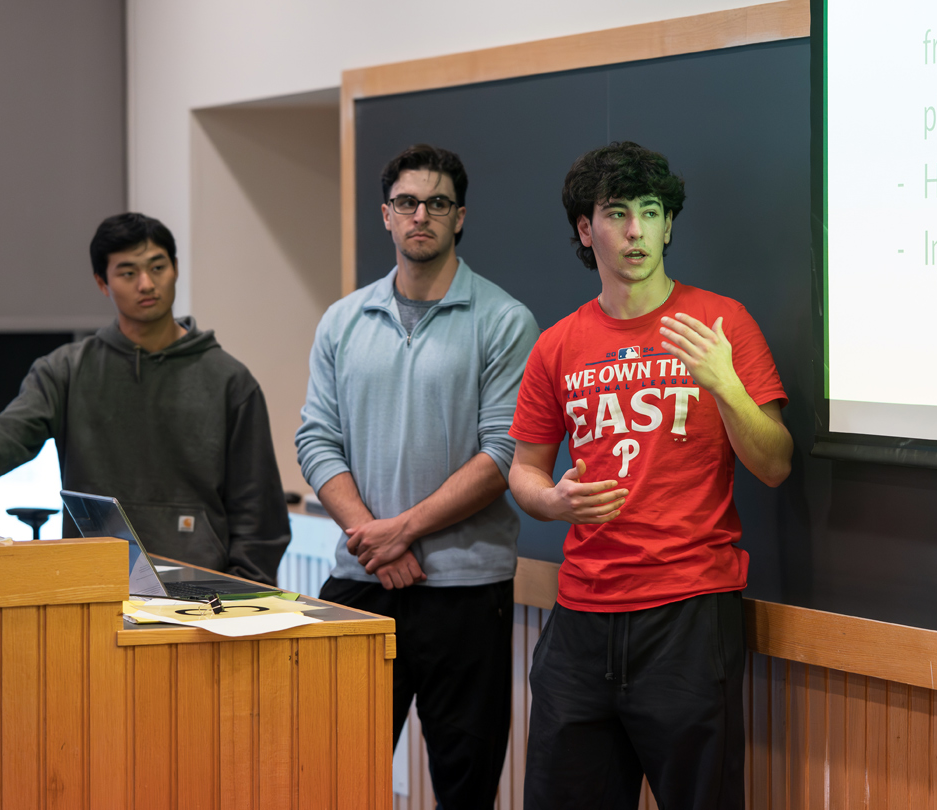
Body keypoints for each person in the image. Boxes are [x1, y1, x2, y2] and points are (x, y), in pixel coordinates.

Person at [508, 141, 794, 809]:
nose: (635, 231)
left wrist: (724, 385)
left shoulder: (723, 324)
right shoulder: (556, 345)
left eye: (651, 211)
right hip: (581, 618)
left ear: (669, 224)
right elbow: (523, 471)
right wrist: (553, 501)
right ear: (587, 230)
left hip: (689, 616)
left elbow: (775, 464)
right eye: (616, 214)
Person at [295, 144, 540, 809]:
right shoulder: (343, 321)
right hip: (360, 583)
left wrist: (400, 532)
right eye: (407, 203)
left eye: (437, 203)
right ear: (386, 215)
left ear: (459, 217)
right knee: (332, 775)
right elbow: (315, 439)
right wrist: (373, 540)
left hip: (466, 590)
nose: (420, 215)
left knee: (465, 783)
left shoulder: (504, 321)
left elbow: (501, 455)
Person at [0, 213, 291, 584]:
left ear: (175, 269)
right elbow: (3, 436)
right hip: (93, 582)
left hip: (202, 595)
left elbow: (259, 514)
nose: (147, 284)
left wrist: (242, 597)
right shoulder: (68, 370)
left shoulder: (229, 380)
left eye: (157, 267)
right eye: (128, 273)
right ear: (101, 283)